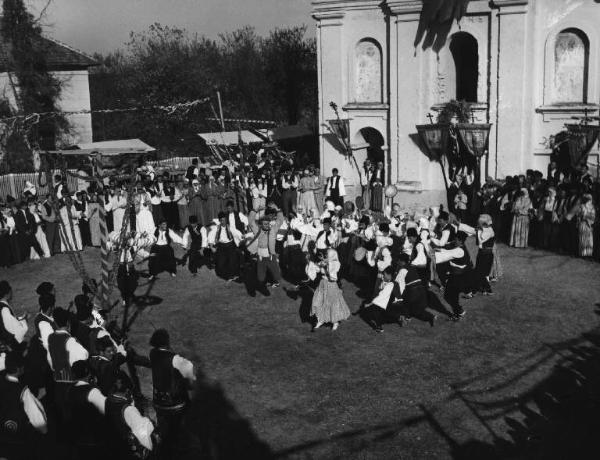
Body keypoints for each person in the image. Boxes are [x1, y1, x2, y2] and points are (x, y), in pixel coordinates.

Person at [149, 329, 195, 458]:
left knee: (165, 430)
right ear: (167, 341)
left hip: (158, 401)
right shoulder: (176, 359)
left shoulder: (152, 353)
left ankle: (166, 449)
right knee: (177, 431)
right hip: (175, 403)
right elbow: (189, 367)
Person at [0, 351, 48, 460]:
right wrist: (43, 429)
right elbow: (36, 416)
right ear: (19, 369)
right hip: (16, 438)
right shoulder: (22, 390)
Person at [65, 360, 108, 460]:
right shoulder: (92, 391)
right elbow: (106, 410)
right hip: (95, 436)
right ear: (88, 372)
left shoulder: (69, 390)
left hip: (78, 435)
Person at [308, 249, 351, 331]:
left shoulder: (336, 263)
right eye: (326, 255)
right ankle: (320, 319)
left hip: (331, 285)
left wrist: (327, 263)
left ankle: (335, 322)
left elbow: (333, 273)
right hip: (322, 284)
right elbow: (317, 269)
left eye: (328, 255)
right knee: (318, 301)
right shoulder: (324, 262)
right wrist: (311, 264)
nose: (326, 256)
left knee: (332, 303)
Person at [246, 212, 284, 291]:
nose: (267, 225)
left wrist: (278, 210)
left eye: (268, 224)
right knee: (260, 277)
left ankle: (275, 281)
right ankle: (262, 283)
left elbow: (280, 221)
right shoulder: (258, 231)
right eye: (265, 224)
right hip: (260, 256)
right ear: (261, 225)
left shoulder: (273, 230)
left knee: (277, 276)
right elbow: (250, 221)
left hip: (270, 256)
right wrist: (254, 210)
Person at [208, 211, 242, 281]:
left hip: (230, 245)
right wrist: (211, 247)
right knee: (221, 264)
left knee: (233, 261)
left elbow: (237, 233)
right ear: (220, 221)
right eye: (222, 220)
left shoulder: (229, 227)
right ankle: (227, 275)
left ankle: (233, 275)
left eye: (225, 220)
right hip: (221, 246)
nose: (223, 222)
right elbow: (211, 236)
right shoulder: (216, 228)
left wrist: (242, 237)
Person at [0, 281, 28, 351]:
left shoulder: (3, 306)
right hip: (9, 347)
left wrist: (21, 318)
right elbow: (19, 332)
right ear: (8, 293)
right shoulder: (5, 309)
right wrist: (24, 321)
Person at [577, 193, 596, 258]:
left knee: (589, 239)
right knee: (583, 238)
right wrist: (582, 217)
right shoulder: (582, 206)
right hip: (583, 223)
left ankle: (588, 253)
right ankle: (583, 253)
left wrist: (588, 219)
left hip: (589, 224)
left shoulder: (592, 207)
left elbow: (593, 216)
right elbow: (579, 215)